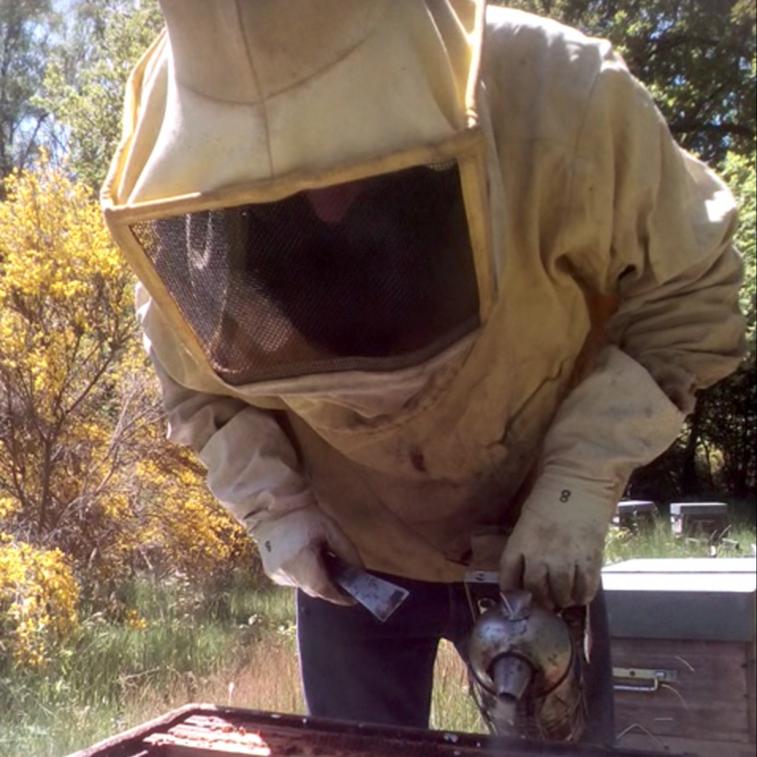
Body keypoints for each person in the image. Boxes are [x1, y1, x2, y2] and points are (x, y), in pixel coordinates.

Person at [101, 0, 745, 746]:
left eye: (351, 152)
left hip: (532, 540)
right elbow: (199, 384)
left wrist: (579, 480)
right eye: (276, 186)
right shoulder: (170, 173)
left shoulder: (559, 94)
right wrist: (273, 506)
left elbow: (689, 294)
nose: (327, 204)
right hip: (350, 561)